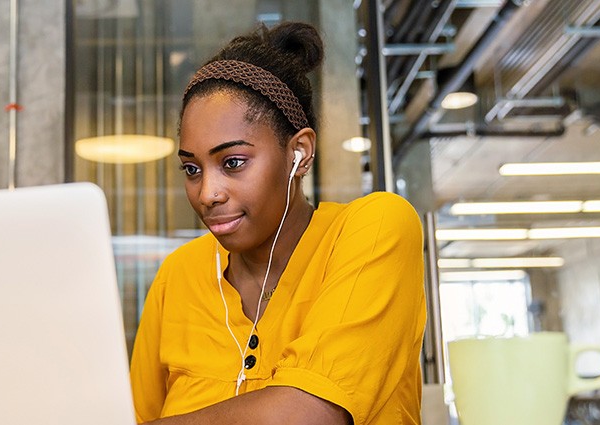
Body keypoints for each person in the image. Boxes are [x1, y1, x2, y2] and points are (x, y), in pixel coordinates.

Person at [129, 21, 426, 425]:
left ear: (299, 154)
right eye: (191, 168)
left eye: (233, 163)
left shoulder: (375, 230)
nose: (206, 193)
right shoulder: (179, 275)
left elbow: (308, 415)